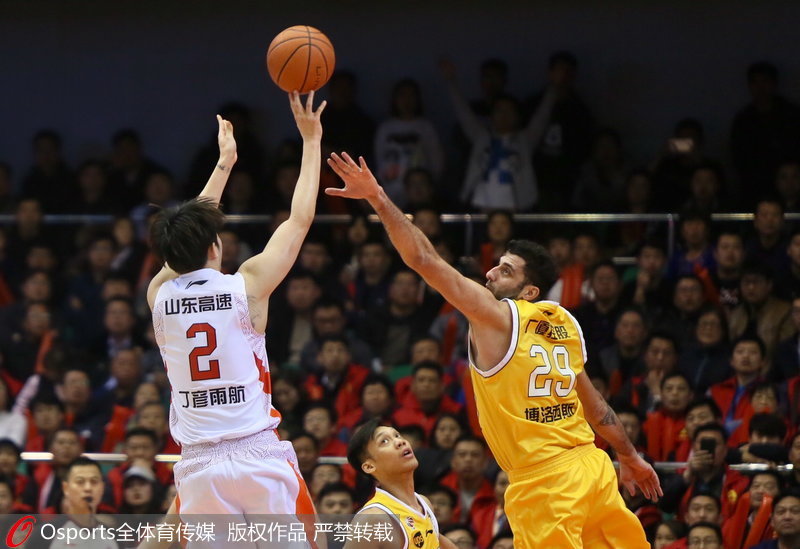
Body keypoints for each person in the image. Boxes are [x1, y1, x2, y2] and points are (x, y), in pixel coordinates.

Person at [325, 152, 660, 548]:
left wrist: (379, 199)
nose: (489, 273)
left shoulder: (495, 317)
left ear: (528, 291)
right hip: (592, 468)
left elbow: (424, 260)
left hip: (545, 483)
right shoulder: (562, 323)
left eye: (505, 270)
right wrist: (629, 455)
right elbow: (595, 406)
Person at [147, 92, 324, 519]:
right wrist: (311, 141)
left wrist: (223, 165)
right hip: (256, 455)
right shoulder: (247, 287)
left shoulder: (159, 296)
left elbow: (185, 238)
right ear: (215, 245)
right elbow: (298, 221)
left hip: (198, 466)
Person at [344, 418, 458, 549]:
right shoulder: (374, 519)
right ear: (369, 466)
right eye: (384, 441)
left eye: (397, 435)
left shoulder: (424, 503)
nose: (400, 442)